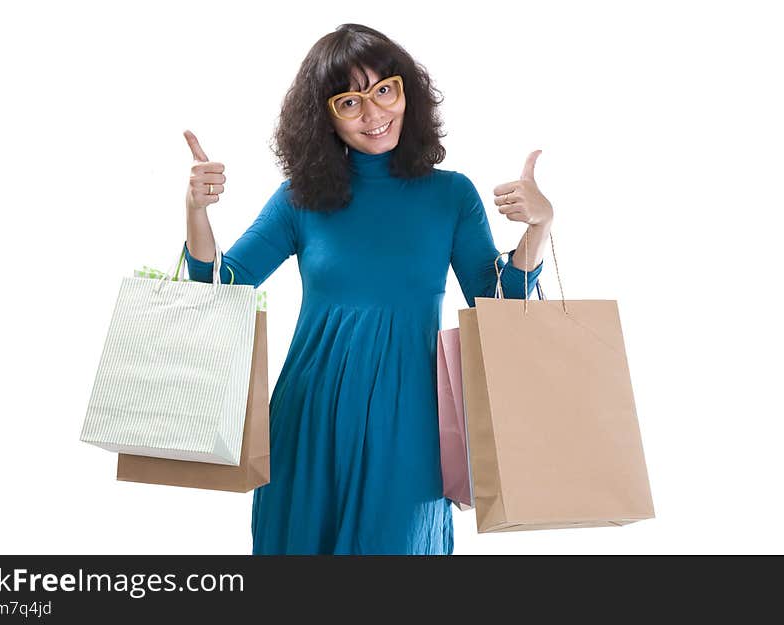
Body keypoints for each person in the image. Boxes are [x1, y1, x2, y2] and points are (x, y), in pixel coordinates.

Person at [183, 23, 554, 555]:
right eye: (349, 101)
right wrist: (195, 211)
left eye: (385, 90)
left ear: (408, 92)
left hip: (411, 426)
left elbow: (500, 305)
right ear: (324, 118)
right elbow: (221, 285)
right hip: (309, 421)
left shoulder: (450, 194)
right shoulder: (301, 198)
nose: (375, 114)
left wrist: (539, 228)